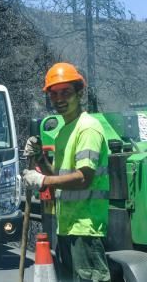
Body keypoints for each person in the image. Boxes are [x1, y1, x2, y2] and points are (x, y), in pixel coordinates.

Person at [22, 62, 111, 282]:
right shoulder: (64, 132)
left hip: (86, 228)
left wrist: (43, 180)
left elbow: (83, 179)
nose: (59, 99)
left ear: (79, 93)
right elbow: (60, 176)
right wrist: (41, 159)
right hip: (68, 227)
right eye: (53, 94)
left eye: (66, 92)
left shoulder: (87, 128)